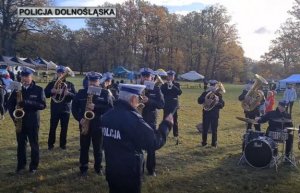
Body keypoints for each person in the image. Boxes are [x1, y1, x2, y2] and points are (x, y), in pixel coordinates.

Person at [101, 83, 173, 193]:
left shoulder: (107, 115)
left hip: (112, 169)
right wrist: (166, 125)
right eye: (139, 98)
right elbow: (153, 142)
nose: (139, 101)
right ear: (133, 98)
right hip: (129, 173)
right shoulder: (133, 120)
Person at [72, 72, 113, 176]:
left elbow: (110, 109)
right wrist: (79, 118)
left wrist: (95, 107)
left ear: (99, 81)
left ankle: (98, 168)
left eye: (95, 81)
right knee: (84, 147)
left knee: (98, 148)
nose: (93, 84)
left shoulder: (105, 93)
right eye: (91, 81)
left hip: (98, 124)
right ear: (88, 81)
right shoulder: (81, 92)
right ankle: (83, 168)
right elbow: (74, 108)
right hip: (84, 123)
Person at [7, 67, 46, 174]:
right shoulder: (17, 89)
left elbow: (42, 105)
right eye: (23, 77)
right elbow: (10, 105)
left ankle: (33, 166)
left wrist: (27, 102)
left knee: (34, 144)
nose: (24, 79)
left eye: (27, 77)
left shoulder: (38, 89)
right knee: (21, 145)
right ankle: (21, 166)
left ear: (31, 77)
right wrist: (14, 117)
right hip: (20, 121)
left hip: (33, 122)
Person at [139, 67, 164, 176]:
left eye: (147, 76)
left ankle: (151, 169)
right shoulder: (136, 88)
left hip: (150, 120)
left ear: (151, 77)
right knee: (137, 145)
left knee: (151, 145)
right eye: (143, 76)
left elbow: (161, 105)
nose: (145, 78)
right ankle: (139, 168)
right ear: (140, 77)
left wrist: (149, 100)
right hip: (138, 119)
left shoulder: (156, 89)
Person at [44, 66, 76, 150]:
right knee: (52, 127)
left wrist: (68, 93)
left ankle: (63, 145)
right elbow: (45, 94)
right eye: (59, 73)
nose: (61, 74)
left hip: (66, 109)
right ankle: (50, 144)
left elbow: (75, 97)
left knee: (64, 128)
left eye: (63, 73)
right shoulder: (52, 84)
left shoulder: (70, 84)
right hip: (55, 109)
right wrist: (51, 91)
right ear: (57, 73)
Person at [198, 80, 225, 147]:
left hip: (215, 114)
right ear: (210, 85)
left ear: (216, 86)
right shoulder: (205, 93)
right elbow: (199, 101)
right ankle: (204, 142)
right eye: (212, 85)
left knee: (214, 129)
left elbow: (222, 105)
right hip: (206, 113)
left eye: (214, 85)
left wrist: (217, 103)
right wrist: (206, 99)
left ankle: (214, 143)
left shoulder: (219, 94)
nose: (213, 87)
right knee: (205, 128)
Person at [161, 70, 182, 144]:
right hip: (166, 104)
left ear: (174, 77)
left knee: (175, 120)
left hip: (174, 105)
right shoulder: (164, 84)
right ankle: (164, 133)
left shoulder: (177, 84)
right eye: (169, 76)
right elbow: (162, 91)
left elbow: (179, 92)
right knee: (165, 119)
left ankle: (175, 135)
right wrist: (166, 85)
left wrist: (173, 86)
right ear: (167, 76)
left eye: (171, 76)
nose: (170, 77)